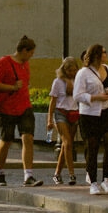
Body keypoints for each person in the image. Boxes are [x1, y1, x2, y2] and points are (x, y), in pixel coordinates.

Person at [0, 35, 43, 187]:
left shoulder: (26, 64)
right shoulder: (4, 62)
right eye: (31, 53)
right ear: (24, 50)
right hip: (7, 108)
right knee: (6, 140)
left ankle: (28, 175)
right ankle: (0, 173)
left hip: (25, 106)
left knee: (28, 138)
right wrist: (12, 87)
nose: (32, 56)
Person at [74, 43, 108, 195]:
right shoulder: (83, 73)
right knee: (92, 147)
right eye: (102, 53)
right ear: (95, 56)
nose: (105, 55)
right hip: (89, 114)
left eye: (106, 52)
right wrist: (95, 97)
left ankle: (107, 178)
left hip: (106, 111)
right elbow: (77, 95)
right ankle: (93, 181)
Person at [46, 57, 79, 185]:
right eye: (70, 70)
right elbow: (53, 101)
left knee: (66, 145)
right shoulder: (58, 82)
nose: (72, 73)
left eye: (74, 70)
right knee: (67, 142)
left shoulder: (78, 80)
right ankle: (72, 174)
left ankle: (57, 173)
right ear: (64, 70)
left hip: (74, 112)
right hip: (61, 112)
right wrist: (49, 119)